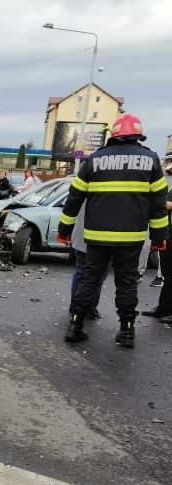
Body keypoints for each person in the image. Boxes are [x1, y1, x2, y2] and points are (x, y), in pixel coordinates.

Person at [58, 113, 169, 348]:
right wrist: (160, 239)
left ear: (114, 134)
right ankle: (127, 332)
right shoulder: (151, 160)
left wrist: (64, 229)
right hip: (132, 238)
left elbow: (74, 197)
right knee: (127, 284)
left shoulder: (95, 159)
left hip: (97, 236)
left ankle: (75, 326)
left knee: (89, 279)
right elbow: (158, 206)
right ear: (138, 135)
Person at [141, 164, 172, 322]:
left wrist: (154, 202)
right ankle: (163, 309)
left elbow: (168, 204)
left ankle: (168, 311)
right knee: (167, 273)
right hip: (168, 232)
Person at [69, 201, 106, 320]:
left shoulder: (83, 183)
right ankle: (90, 309)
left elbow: (70, 206)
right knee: (98, 276)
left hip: (81, 235)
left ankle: (75, 307)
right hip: (101, 238)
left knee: (80, 272)